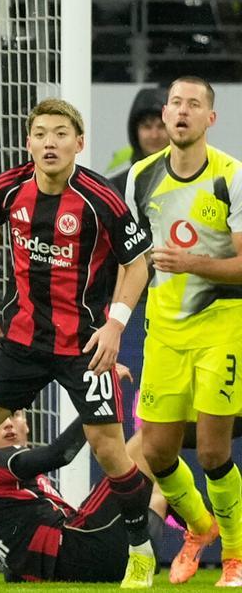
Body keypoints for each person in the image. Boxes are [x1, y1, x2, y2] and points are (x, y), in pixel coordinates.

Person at [0, 97, 156, 588]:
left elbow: (137, 263)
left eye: (61, 133)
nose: (50, 142)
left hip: (84, 343)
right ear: (28, 141)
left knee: (109, 450)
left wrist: (117, 324)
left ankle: (141, 550)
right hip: (21, 340)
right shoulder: (6, 187)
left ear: (79, 143)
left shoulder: (103, 199)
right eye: (40, 133)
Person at [123, 76, 242, 587]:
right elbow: (134, 262)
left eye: (194, 104)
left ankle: (235, 559)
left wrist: (192, 262)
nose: (182, 111)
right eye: (175, 103)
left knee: (214, 453)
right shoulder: (140, 179)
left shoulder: (231, 178)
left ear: (210, 118)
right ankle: (198, 526)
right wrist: (114, 321)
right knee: (156, 452)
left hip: (221, 329)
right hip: (163, 334)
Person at [0, 406, 146, 583]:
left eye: (15, 415)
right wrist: (94, 404)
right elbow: (60, 454)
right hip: (83, 549)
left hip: (83, 563)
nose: (8, 424)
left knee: (156, 489)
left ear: (26, 426)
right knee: (144, 444)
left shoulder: (15, 487)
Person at [109, 86, 168, 193]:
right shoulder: (116, 189)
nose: (154, 135)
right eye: (147, 126)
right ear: (135, 132)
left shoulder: (191, 183)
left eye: (161, 126)